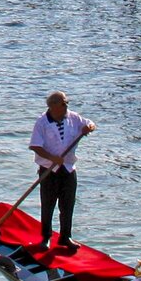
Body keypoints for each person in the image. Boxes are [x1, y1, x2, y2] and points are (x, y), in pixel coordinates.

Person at [28, 91, 95, 254]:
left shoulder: (73, 117)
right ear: (52, 106)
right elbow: (35, 146)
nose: (66, 106)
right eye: (63, 103)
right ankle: (46, 237)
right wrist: (51, 158)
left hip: (68, 169)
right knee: (48, 204)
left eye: (66, 103)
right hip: (49, 170)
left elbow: (90, 123)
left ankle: (66, 236)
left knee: (67, 204)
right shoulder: (42, 122)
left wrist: (89, 127)